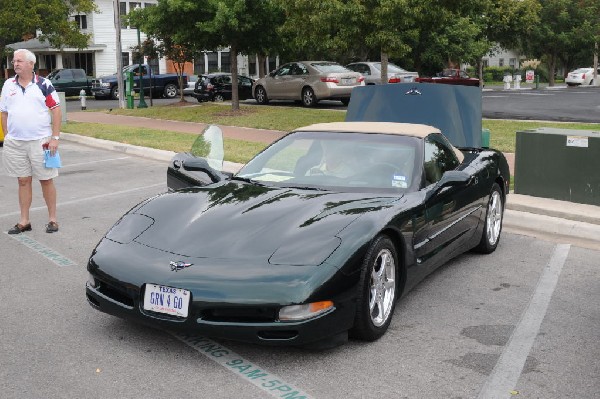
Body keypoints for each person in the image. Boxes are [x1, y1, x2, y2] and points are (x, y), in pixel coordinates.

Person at [1, 48, 62, 234]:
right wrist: (7, 134)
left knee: (46, 180)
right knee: (23, 181)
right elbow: (3, 111)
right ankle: (24, 221)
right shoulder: (8, 85)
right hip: (16, 143)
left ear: (31, 64)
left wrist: (55, 138)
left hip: (41, 142)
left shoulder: (44, 84)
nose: (15, 64)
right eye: (14, 61)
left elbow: (56, 110)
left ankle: (52, 220)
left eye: (19, 61)